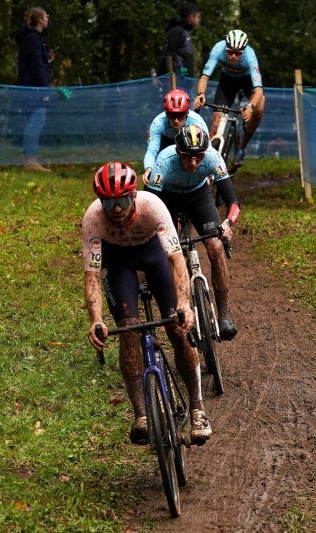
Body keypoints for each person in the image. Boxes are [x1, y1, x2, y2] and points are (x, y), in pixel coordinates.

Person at [83, 161, 212, 445]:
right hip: (117, 263)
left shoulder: (153, 206)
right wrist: (96, 318)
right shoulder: (93, 218)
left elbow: (177, 260)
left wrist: (184, 304)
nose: (116, 208)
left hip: (154, 255)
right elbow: (92, 275)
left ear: (134, 195)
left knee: (178, 329)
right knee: (128, 332)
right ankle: (141, 415)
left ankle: (197, 409)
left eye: (123, 200)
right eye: (109, 202)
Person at [146, 125, 239, 340]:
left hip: (198, 197)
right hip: (167, 199)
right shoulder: (164, 161)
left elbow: (233, 201)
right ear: (178, 152)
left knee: (215, 246)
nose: (194, 162)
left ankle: (223, 317)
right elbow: (151, 204)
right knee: (171, 251)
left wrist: (228, 223)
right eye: (188, 157)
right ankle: (180, 306)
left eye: (199, 156)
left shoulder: (214, 158)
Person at [194, 29, 265, 168]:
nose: (233, 56)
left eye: (238, 53)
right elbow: (204, 77)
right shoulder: (218, 49)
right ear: (225, 47)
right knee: (216, 122)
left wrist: (250, 106)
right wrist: (201, 93)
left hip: (247, 81)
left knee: (260, 107)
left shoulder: (250, 56)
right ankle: (200, 161)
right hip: (227, 82)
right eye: (230, 51)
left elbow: (258, 90)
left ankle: (241, 148)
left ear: (243, 51)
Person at [15, 6, 57, 173]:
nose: (47, 18)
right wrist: (44, 89)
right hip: (34, 90)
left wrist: (47, 59)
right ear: (40, 20)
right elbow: (35, 66)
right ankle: (31, 160)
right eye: (46, 16)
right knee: (35, 122)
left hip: (31, 87)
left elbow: (36, 62)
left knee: (33, 122)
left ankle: (30, 159)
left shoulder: (32, 38)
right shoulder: (33, 38)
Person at [142, 89, 208, 185]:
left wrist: (206, 173)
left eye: (180, 115)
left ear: (187, 113)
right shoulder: (158, 122)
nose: (176, 120)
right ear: (166, 113)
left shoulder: (197, 122)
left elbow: (206, 150)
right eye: (171, 115)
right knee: (152, 176)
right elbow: (152, 150)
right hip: (166, 141)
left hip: (190, 146)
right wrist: (149, 168)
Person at [156, 2, 201, 78]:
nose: (198, 20)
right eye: (198, 17)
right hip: (177, 80)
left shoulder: (186, 32)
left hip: (186, 79)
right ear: (191, 17)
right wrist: (161, 76)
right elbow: (168, 54)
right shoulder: (177, 31)